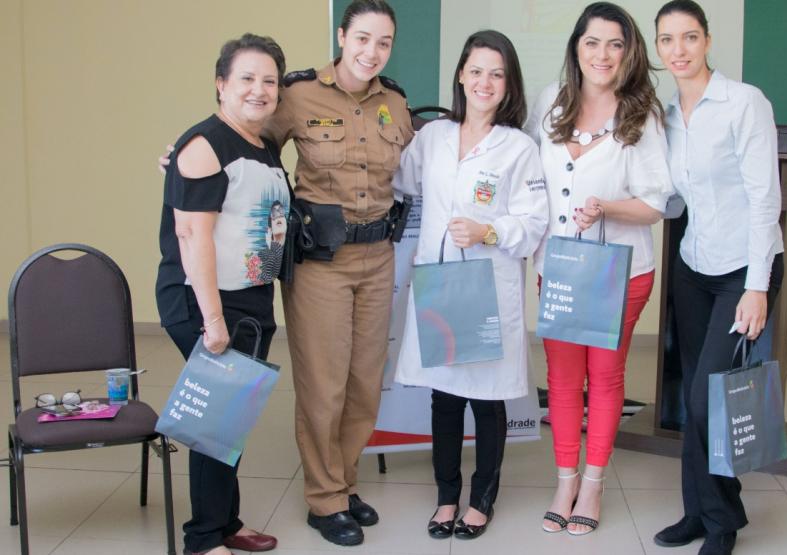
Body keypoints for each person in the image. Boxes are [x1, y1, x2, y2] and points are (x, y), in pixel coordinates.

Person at [261, 0, 414, 547]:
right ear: (343, 36)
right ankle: (323, 499)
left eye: (384, 42)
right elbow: (249, 143)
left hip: (378, 258)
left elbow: (426, 166)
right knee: (323, 385)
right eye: (363, 39)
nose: (372, 51)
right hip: (321, 261)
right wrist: (189, 154)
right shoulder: (300, 94)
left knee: (363, 384)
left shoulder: (394, 102)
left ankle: (344, 483)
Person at [524, 1, 673, 536]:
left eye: (615, 43)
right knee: (562, 379)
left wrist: (606, 207)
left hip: (621, 270)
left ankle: (593, 482)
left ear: (628, 52)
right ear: (576, 48)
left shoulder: (643, 113)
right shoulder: (549, 103)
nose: (602, 54)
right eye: (592, 42)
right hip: (560, 269)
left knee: (605, 378)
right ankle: (564, 479)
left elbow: (656, 201)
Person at [394, 30, 548, 540]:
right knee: (443, 397)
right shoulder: (433, 137)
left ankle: (481, 499)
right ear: (461, 74)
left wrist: (490, 230)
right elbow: (393, 180)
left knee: (486, 398)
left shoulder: (519, 147)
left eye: (497, 73)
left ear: (509, 84)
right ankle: (445, 496)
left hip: (486, 285)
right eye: (477, 70)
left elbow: (534, 221)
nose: (485, 82)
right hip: (440, 283)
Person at [652, 2, 784, 554]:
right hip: (694, 265)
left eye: (689, 37)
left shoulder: (744, 103)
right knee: (692, 395)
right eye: (666, 40)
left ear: (707, 40)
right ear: (657, 48)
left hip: (743, 271)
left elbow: (764, 199)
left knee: (712, 401)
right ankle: (698, 513)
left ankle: (723, 521)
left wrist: (756, 287)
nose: (678, 49)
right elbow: (674, 196)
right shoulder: (666, 114)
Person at [154, 33, 288, 555]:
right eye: (247, 79)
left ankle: (227, 522)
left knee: (231, 421)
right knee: (214, 424)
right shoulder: (204, 145)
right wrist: (212, 321)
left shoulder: (261, 143)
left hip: (249, 300)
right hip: (206, 302)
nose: (259, 90)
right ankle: (204, 539)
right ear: (221, 84)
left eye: (269, 81)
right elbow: (193, 235)